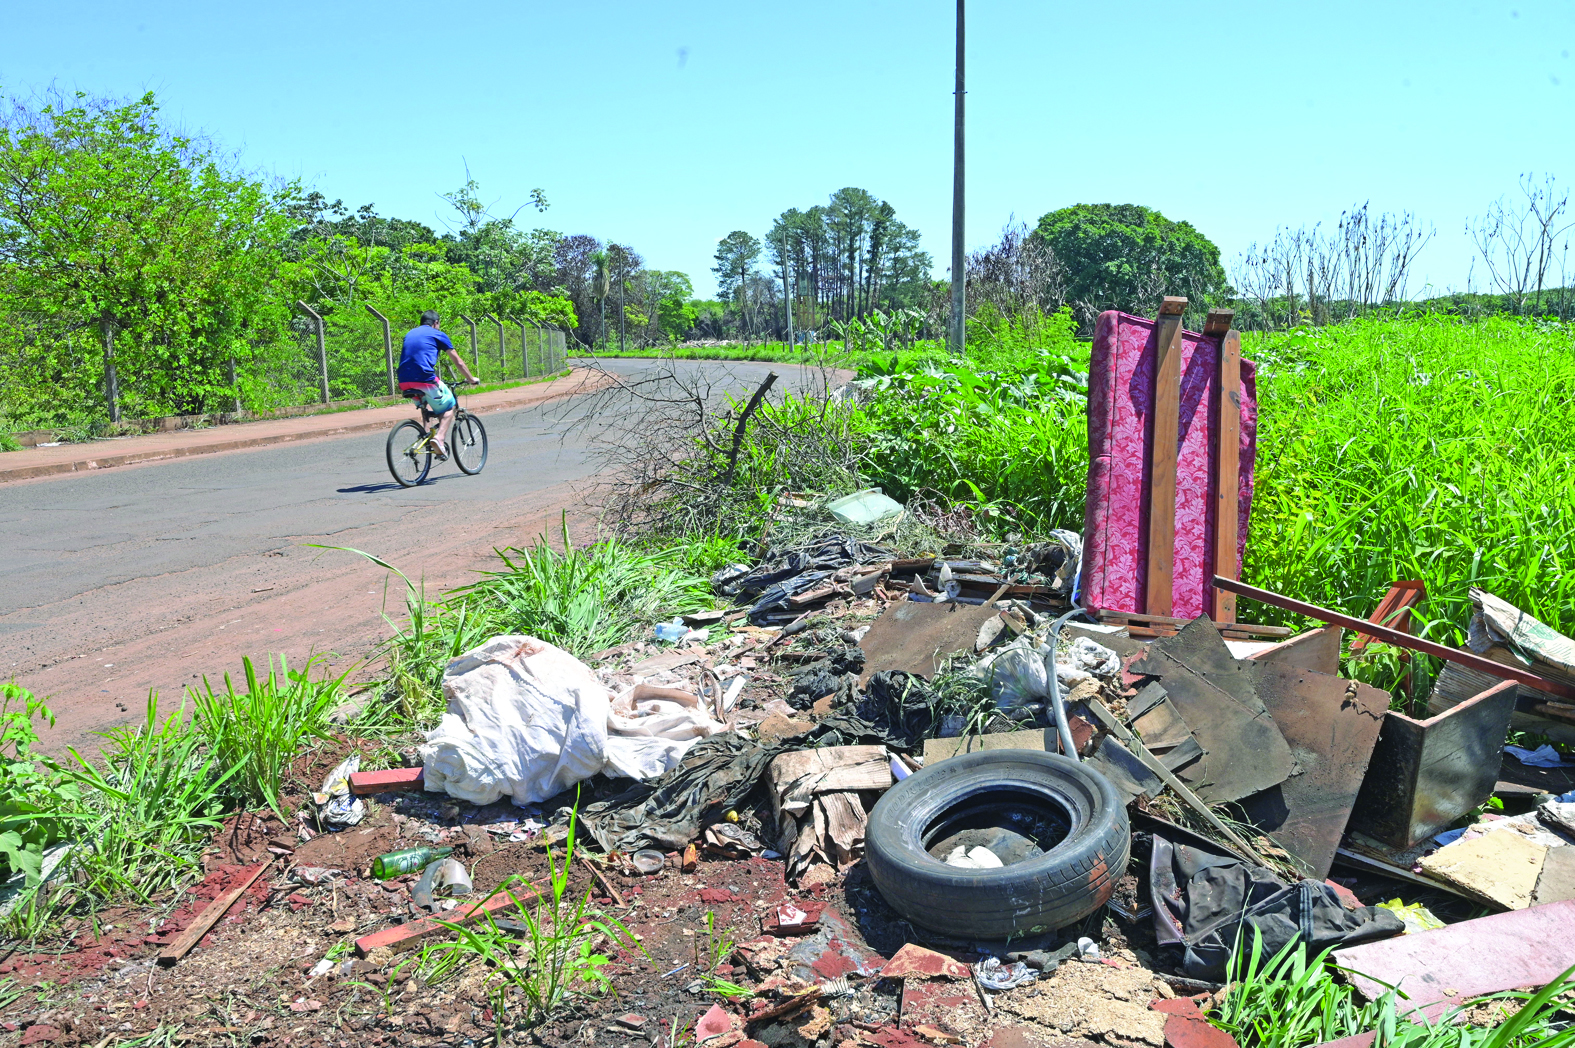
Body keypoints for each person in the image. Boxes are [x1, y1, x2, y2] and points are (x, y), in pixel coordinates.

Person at [398, 311, 477, 459]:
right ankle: (439, 439)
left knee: (425, 404)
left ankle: (426, 436)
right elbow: (458, 362)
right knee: (450, 405)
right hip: (425, 379)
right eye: (439, 324)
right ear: (436, 323)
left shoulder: (410, 333)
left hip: (403, 381)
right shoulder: (437, 334)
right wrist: (471, 378)